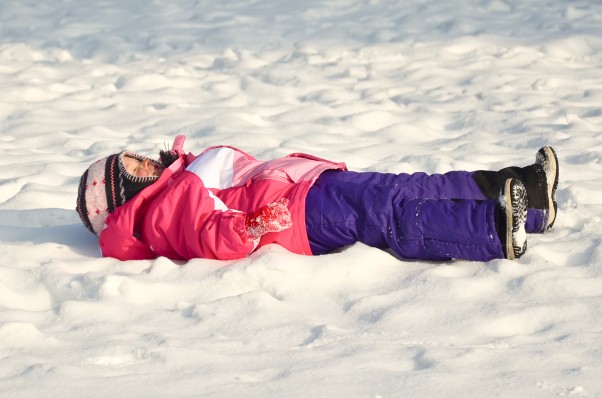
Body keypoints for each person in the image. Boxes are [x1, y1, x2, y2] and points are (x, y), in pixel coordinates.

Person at [76, 135, 559, 262]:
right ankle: (492, 231)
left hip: (307, 185)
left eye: (135, 157)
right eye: (133, 169)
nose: (145, 163)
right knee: (390, 215)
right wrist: (253, 225)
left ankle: (528, 201)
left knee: (409, 188)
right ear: (124, 195)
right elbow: (209, 234)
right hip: (297, 218)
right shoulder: (161, 213)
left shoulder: (177, 176)